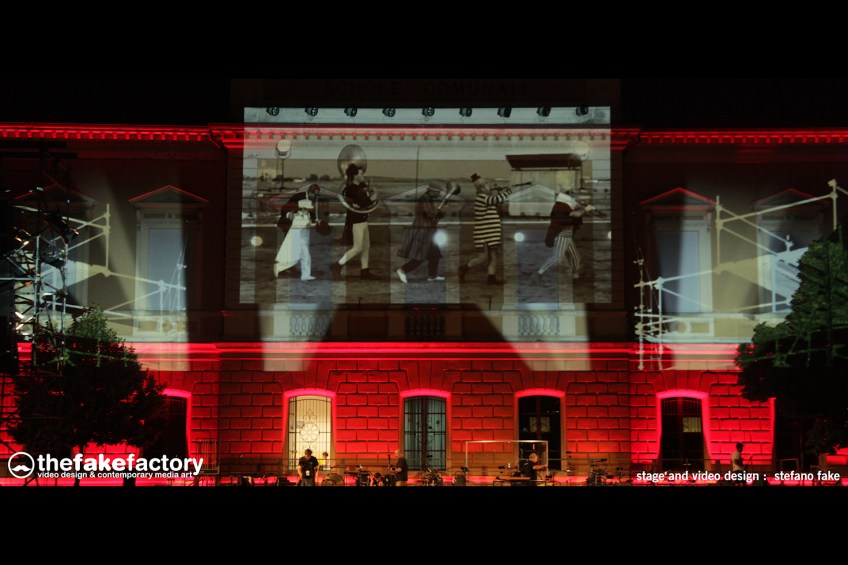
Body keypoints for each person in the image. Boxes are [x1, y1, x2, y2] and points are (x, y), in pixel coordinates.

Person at [532, 189, 593, 284]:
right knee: (557, 258)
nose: (574, 197)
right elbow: (576, 214)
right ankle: (539, 273)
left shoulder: (564, 205)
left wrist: (582, 207)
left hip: (567, 236)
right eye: (572, 195)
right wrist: (586, 208)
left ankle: (576, 278)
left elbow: (576, 212)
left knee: (575, 257)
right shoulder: (560, 206)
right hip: (562, 235)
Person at [459, 173, 511, 285]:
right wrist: (508, 191)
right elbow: (496, 200)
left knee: (493, 256)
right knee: (482, 257)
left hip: (489, 234)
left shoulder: (485, 198)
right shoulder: (482, 198)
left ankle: (491, 278)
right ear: (482, 188)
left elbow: (495, 202)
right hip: (484, 235)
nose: (489, 187)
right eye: (487, 185)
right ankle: (464, 268)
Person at [331, 163, 379, 280]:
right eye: (361, 173)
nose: (363, 175)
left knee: (366, 246)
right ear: (355, 176)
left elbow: (363, 202)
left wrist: (370, 195)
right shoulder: (351, 189)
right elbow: (362, 204)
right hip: (356, 221)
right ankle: (337, 265)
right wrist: (372, 198)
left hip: (363, 219)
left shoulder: (360, 187)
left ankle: (364, 271)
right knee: (358, 248)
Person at [396, 182, 446, 283]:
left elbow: (434, 215)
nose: (439, 194)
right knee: (420, 255)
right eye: (438, 192)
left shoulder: (428, 198)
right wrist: (440, 210)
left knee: (434, 254)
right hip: (422, 231)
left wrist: (441, 211)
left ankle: (432, 276)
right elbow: (429, 214)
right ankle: (402, 270)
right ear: (432, 191)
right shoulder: (424, 199)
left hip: (428, 230)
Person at [273, 198, 316, 280]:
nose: (308, 210)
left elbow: (289, 215)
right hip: (297, 239)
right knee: (295, 257)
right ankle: (278, 267)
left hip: (302, 238)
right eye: (307, 208)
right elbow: (306, 226)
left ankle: (305, 275)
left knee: (305, 257)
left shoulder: (304, 215)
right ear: (303, 208)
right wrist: (314, 224)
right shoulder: (298, 216)